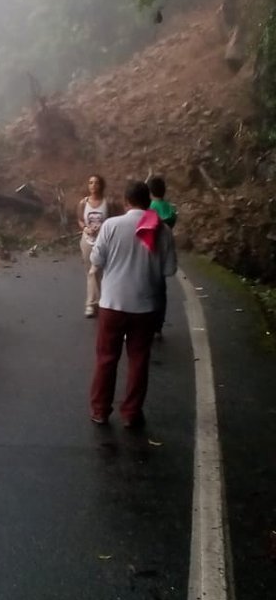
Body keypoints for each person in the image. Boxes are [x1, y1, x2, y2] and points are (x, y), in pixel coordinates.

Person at [88, 179, 177, 428]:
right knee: (138, 359)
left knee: (106, 359)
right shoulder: (162, 230)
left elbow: (97, 258)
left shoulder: (111, 225)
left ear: (126, 202)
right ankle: (131, 413)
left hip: (112, 305)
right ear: (149, 201)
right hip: (146, 308)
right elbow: (170, 270)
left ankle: (100, 411)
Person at [77, 174, 112, 318]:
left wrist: (104, 227)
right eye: (90, 183)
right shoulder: (83, 203)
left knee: (102, 272)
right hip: (87, 240)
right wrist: (85, 228)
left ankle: (99, 303)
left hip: (104, 240)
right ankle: (93, 303)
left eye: (96, 183)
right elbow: (79, 219)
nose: (93, 186)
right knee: (90, 272)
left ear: (101, 185)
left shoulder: (108, 203)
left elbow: (114, 219)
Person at [148, 175, 178, 339]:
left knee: (147, 290)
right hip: (165, 251)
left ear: (150, 192)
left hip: (150, 252)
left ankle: (147, 324)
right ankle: (158, 327)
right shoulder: (170, 208)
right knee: (161, 291)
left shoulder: (149, 208)